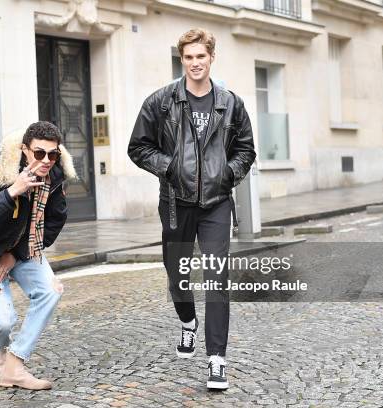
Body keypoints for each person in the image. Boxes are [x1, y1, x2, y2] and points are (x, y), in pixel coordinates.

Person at [127, 28, 256, 390]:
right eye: (188, 57)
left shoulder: (230, 103)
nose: (195, 63)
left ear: (211, 57)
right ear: (181, 59)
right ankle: (187, 322)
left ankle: (217, 360)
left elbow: (246, 149)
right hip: (175, 204)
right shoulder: (161, 102)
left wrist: (227, 174)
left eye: (201, 56)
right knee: (178, 277)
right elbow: (138, 147)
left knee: (216, 278)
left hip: (216, 204)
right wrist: (169, 167)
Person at [0, 121, 76, 390]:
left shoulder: (55, 175)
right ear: (25, 150)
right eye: (39, 153)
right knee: (4, 320)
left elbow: (56, 220)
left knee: (51, 290)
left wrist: (15, 254)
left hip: (21, 246)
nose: (46, 160)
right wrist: (13, 191)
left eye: (53, 154)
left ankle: (14, 363)